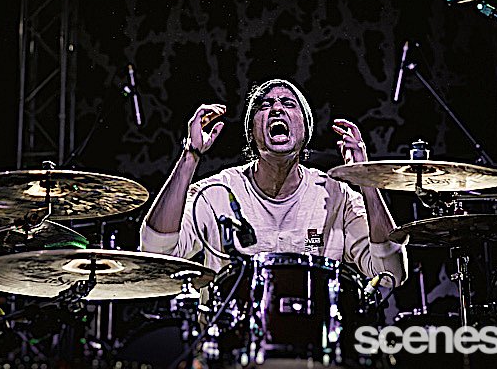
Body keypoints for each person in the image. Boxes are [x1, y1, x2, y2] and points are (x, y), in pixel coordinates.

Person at [140, 78, 407, 286]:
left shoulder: (336, 196)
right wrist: (190, 156)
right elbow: (156, 253)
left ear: (305, 129)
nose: (277, 109)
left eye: (288, 104)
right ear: (252, 132)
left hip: (314, 339)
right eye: (264, 105)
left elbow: (391, 273)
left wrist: (366, 179)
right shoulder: (215, 192)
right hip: (230, 339)